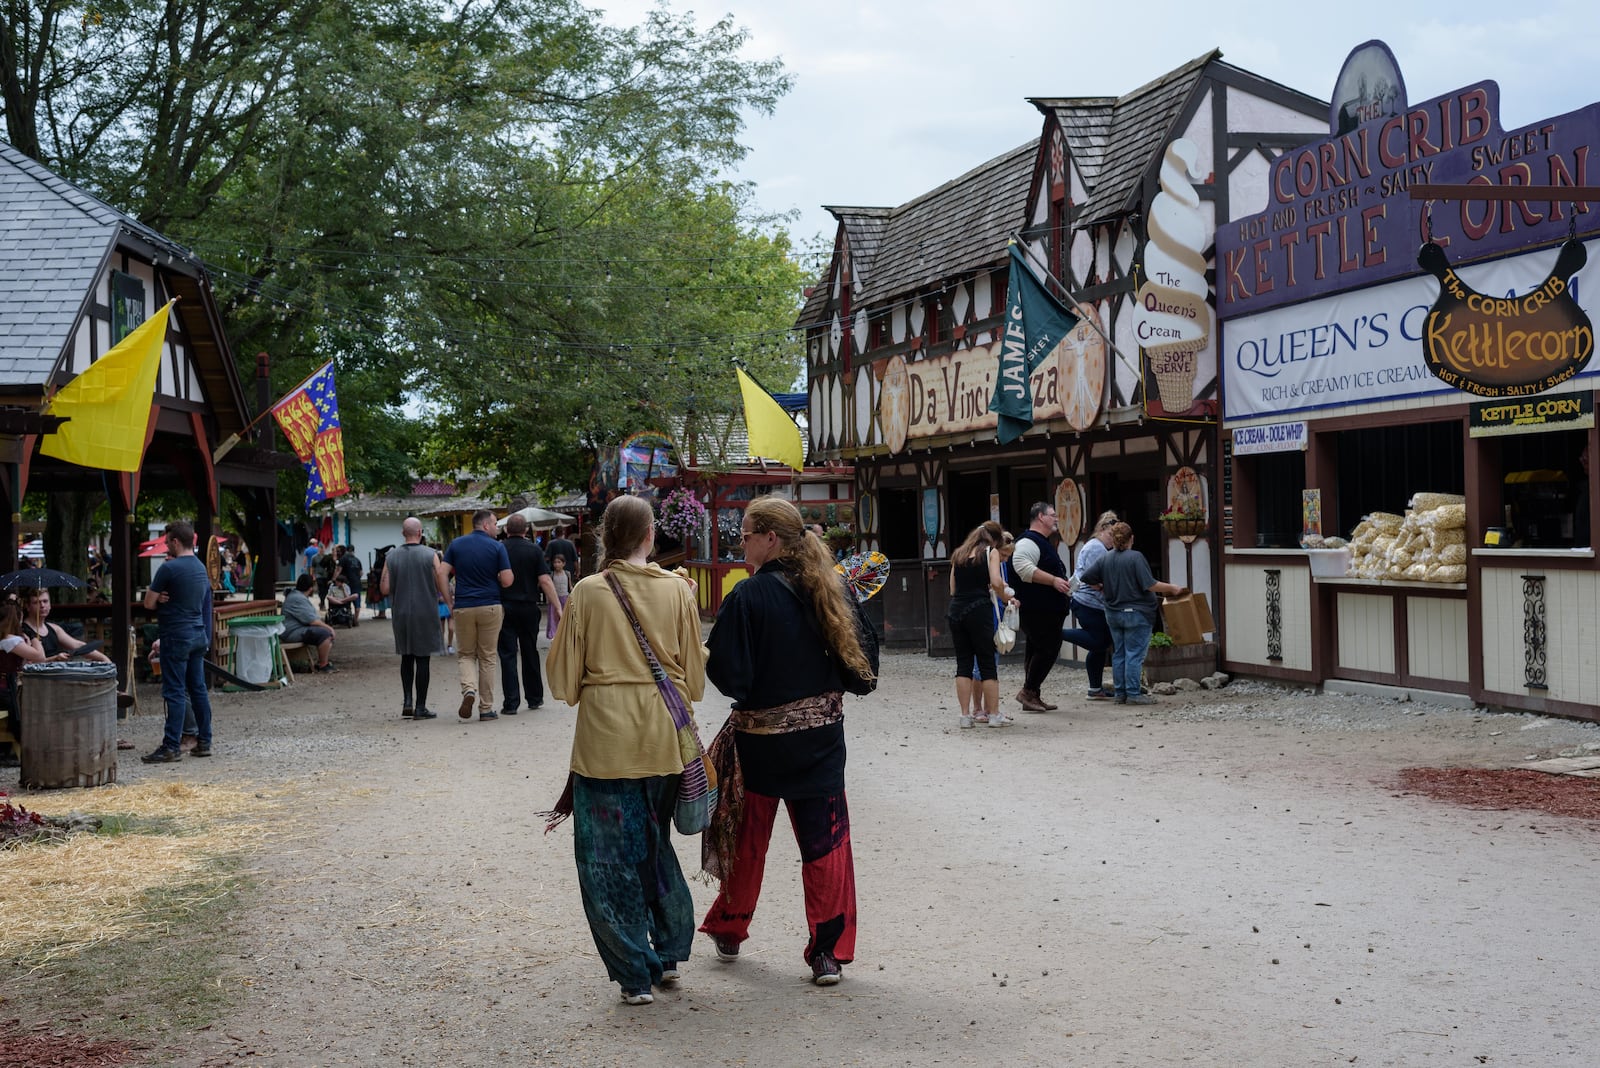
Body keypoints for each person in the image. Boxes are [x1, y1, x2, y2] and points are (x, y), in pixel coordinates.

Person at [699, 496, 871, 987]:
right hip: (820, 741)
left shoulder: (747, 597)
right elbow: (863, 674)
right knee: (826, 843)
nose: (741, 541)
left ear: (769, 539)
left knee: (747, 838)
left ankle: (730, 928)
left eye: (747, 532)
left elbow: (731, 676)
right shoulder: (834, 591)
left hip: (761, 744)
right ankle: (828, 953)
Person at [546, 494, 706, 1005]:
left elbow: (564, 684)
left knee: (606, 861)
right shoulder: (679, 591)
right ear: (649, 536)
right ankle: (671, 952)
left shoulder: (588, 593)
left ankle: (634, 972)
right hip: (662, 739)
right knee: (654, 847)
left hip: (605, 743)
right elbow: (696, 681)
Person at [1080, 522, 1187, 706]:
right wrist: (1173, 588)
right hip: (1137, 612)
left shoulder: (1106, 558)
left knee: (1119, 653)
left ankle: (1120, 693)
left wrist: (1102, 587)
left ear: (1113, 539)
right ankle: (1133, 693)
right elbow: (1150, 584)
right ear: (1132, 539)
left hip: (1113, 613)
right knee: (1134, 654)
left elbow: (1086, 577)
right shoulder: (1136, 557)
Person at [141, 522, 216, 763]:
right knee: (198, 688)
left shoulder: (169, 569)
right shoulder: (200, 567)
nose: (166, 545)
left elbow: (148, 603)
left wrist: (160, 597)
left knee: (174, 691)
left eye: (167, 541)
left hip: (176, 634)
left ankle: (171, 745)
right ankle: (204, 740)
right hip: (197, 633)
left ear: (175, 542)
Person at [442, 509, 512, 720]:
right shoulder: (497, 547)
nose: (497, 528)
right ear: (485, 525)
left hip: (463, 605)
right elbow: (508, 580)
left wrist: (449, 601)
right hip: (490, 604)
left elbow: (441, 572)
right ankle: (486, 708)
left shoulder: (456, 545)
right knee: (488, 657)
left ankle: (469, 689)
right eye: (495, 524)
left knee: (466, 654)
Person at [947, 520, 1016, 729]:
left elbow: (952, 589)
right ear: (993, 539)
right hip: (979, 610)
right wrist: (1005, 598)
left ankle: (965, 716)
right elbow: (996, 581)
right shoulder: (990, 553)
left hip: (956, 611)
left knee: (963, 664)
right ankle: (994, 715)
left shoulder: (958, 554)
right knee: (987, 663)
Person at [382, 517, 452, 719]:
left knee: (406, 656)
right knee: (423, 659)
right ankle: (421, 707)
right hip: (425, 612)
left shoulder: (391, 556)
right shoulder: (431, 555)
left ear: (403, 533)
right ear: (420, 532)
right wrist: (449, 603)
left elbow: (385, 588)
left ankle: (407, 701)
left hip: (401, 612)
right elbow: (441, 583)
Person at [1010, 501, 1073, 712]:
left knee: (1037, 648)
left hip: (1044, 609)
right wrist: (1054, 581)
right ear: (1040, 517)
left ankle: (1033, 695)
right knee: (1048, 647)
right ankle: (1028, 691)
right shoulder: (1028, 542)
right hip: (1037, 609)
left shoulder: (1041, 541)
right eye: (1052, 515)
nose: (1056, 519)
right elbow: (1022, 567)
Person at [498, 513, 562, 714]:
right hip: (528, 606)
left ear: (506, 530)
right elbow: (544, 580)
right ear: (526, 530)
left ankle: (511, 702)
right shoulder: (534, 550)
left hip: (504, 606)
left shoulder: (499, 549)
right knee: (529, 651)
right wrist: (558, 606)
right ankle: (534, 697)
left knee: (507, 654)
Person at [1062, 510, 1119, 701]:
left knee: (1099, 647)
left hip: (1089, 602)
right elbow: (1092, 577)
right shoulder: (1096, 548)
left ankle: (1095, 689)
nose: (1113, 539)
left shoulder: (1098, 547)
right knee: (1099, 641)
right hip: (1088, 602)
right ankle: (1058, 633)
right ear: (1103, 529)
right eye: (1111, 534)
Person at [20, 588, 113, 664]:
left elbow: (78, 645)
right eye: (36, 602)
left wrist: (105, 659)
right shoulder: (23, 630)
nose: (42, 606)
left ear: (50, 605)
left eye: (45, 601)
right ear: (27, 606)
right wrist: (55, 658)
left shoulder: (54, 628)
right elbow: (28, 664)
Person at [282, 573, 336, 672]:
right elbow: (312, 621)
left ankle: (323, 662)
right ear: (311, 588)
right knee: (325, 633)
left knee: (325, 632)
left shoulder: (297, 596)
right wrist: (329, 628)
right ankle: (323, 665)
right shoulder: (298, 599)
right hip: (291, 632)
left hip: (295, 630)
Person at [546, 554, 571, 639]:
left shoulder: (567, 573)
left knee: (564, 617)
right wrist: (548, 598)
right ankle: (553, 634)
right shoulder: (552, 574)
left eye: (559, 562)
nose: (557, 564)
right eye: (555, 562)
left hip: (564, 597)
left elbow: (569, 586)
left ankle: (564, 633)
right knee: (553, 617)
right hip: (555, 598)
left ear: (563, 563)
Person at [338, 545, 364, 623]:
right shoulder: (357, 560)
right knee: (357, 603)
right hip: (356, 583)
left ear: (346, 550)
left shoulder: (343, 558)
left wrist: (334, 579)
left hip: (347, 583)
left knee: (346, 600)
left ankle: (346, 618)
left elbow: (338, 570)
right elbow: (361, 573)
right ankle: (355, 620)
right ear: (353, 551)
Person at [313, 542, 337, 608]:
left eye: (322, 548)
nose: (321, 550)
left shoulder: (327, 557)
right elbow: (312, 567)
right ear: (318, 549)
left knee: (325, 590)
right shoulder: (314, 557)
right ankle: (322, 603)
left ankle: (321, 602)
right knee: (321, 589)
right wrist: (313, 576)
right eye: (320, 548)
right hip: (318, 575)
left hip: (326, 576)